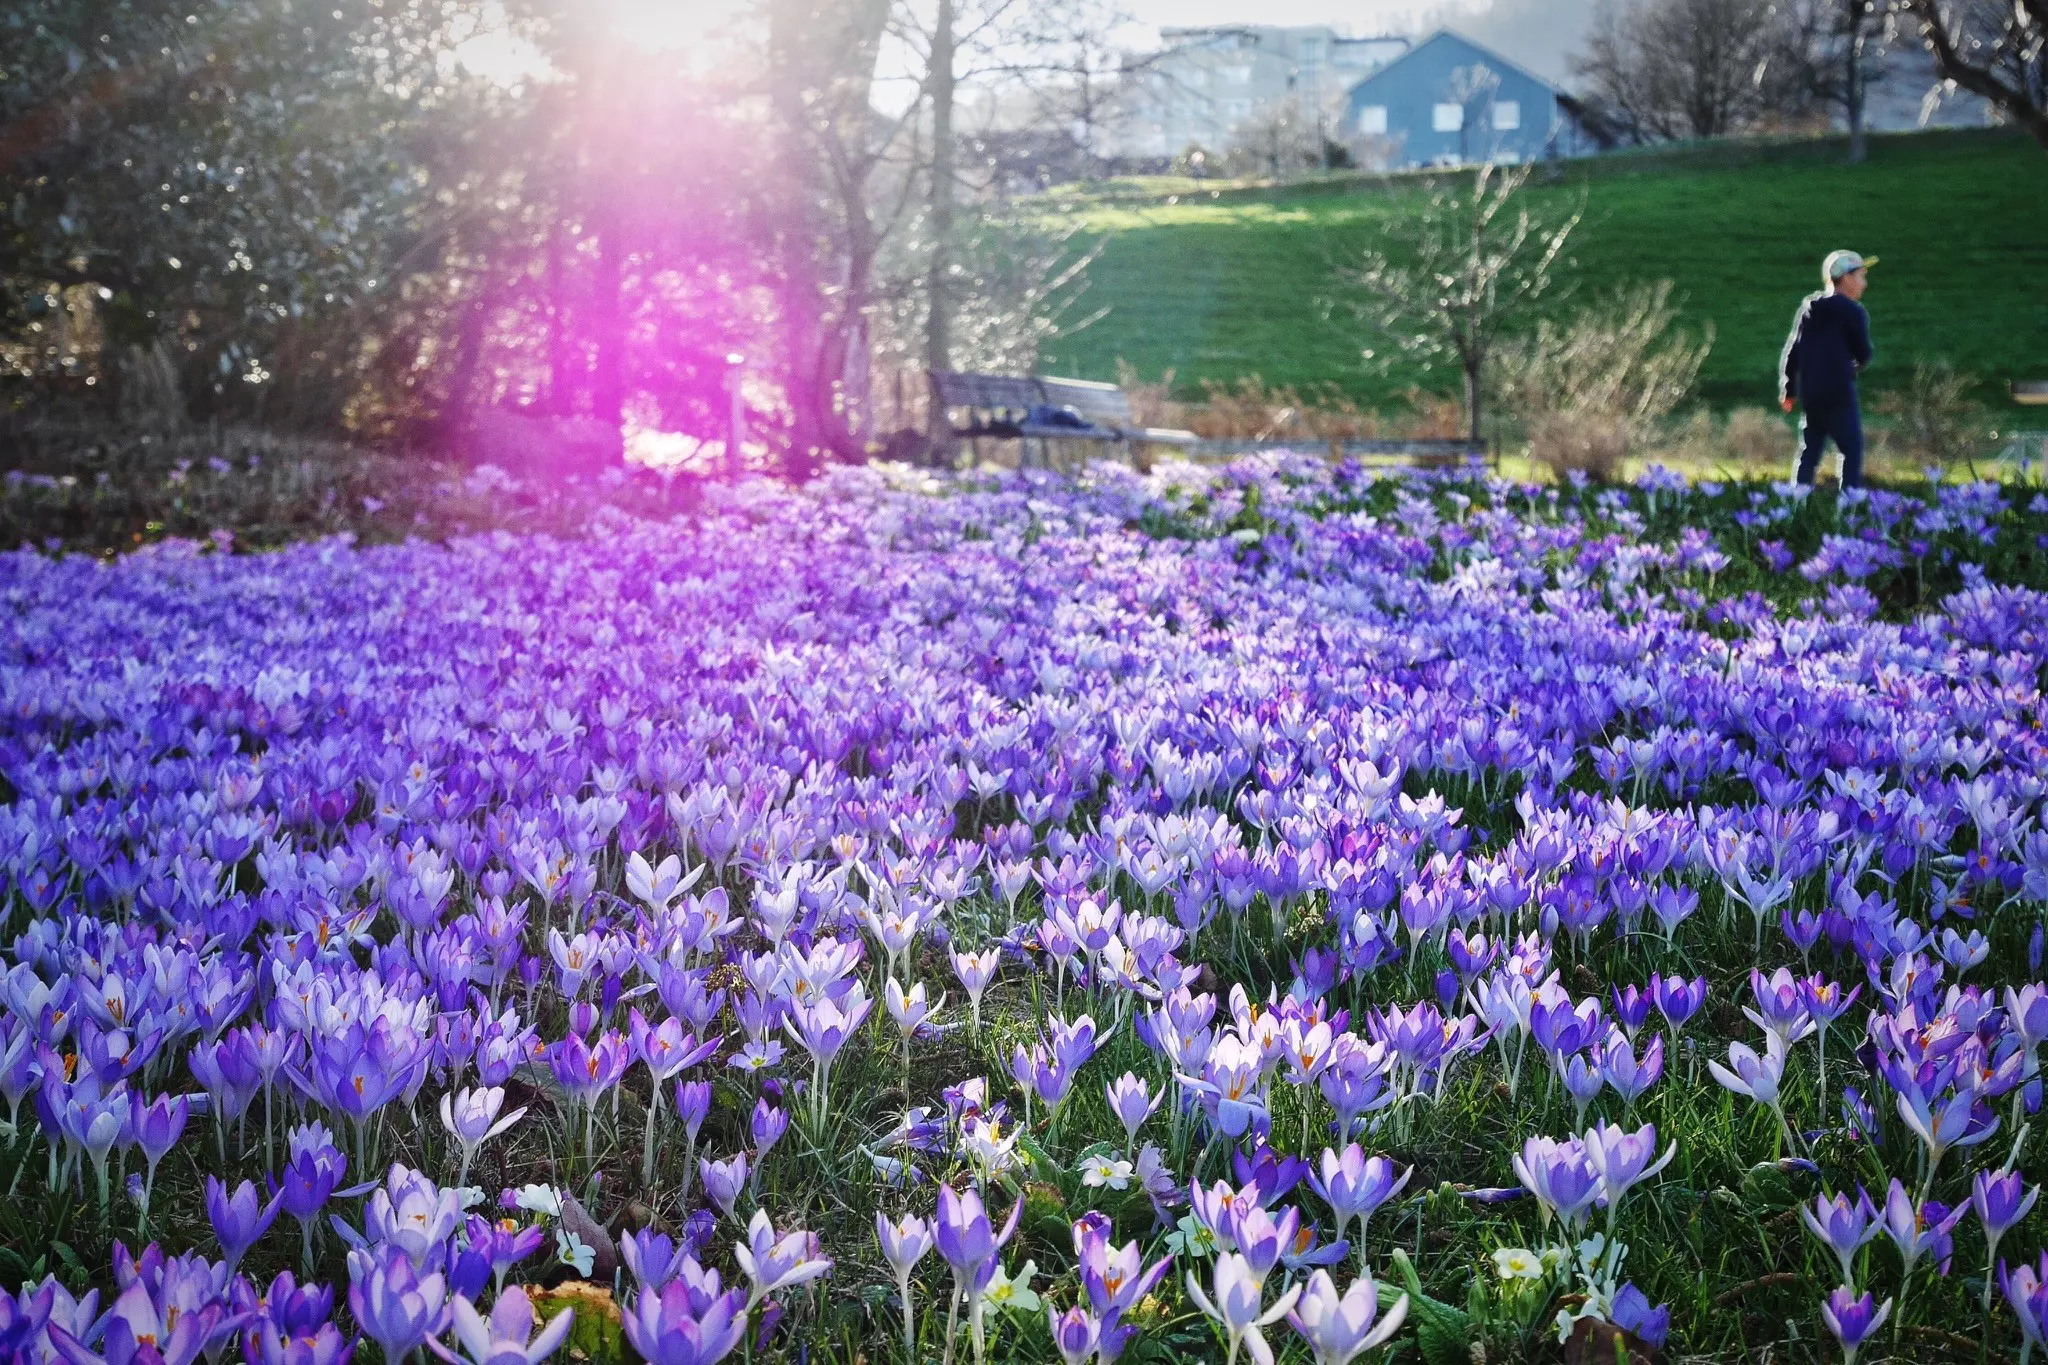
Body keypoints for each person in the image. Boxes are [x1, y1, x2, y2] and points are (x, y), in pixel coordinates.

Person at [1779, 250, 1876, 489]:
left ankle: (1797, 504)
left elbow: (1792, 351)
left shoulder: (1809, 310)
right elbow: (1863, 353)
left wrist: (1789, 390)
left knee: (1809, 452)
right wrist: (1852, 367)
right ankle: (1848, 507)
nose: (1864, 283)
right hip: (1839, 392)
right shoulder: (1853, 312)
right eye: (1861, 277)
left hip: (1812, 394)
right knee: (1850, 450)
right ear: (1845, 278)